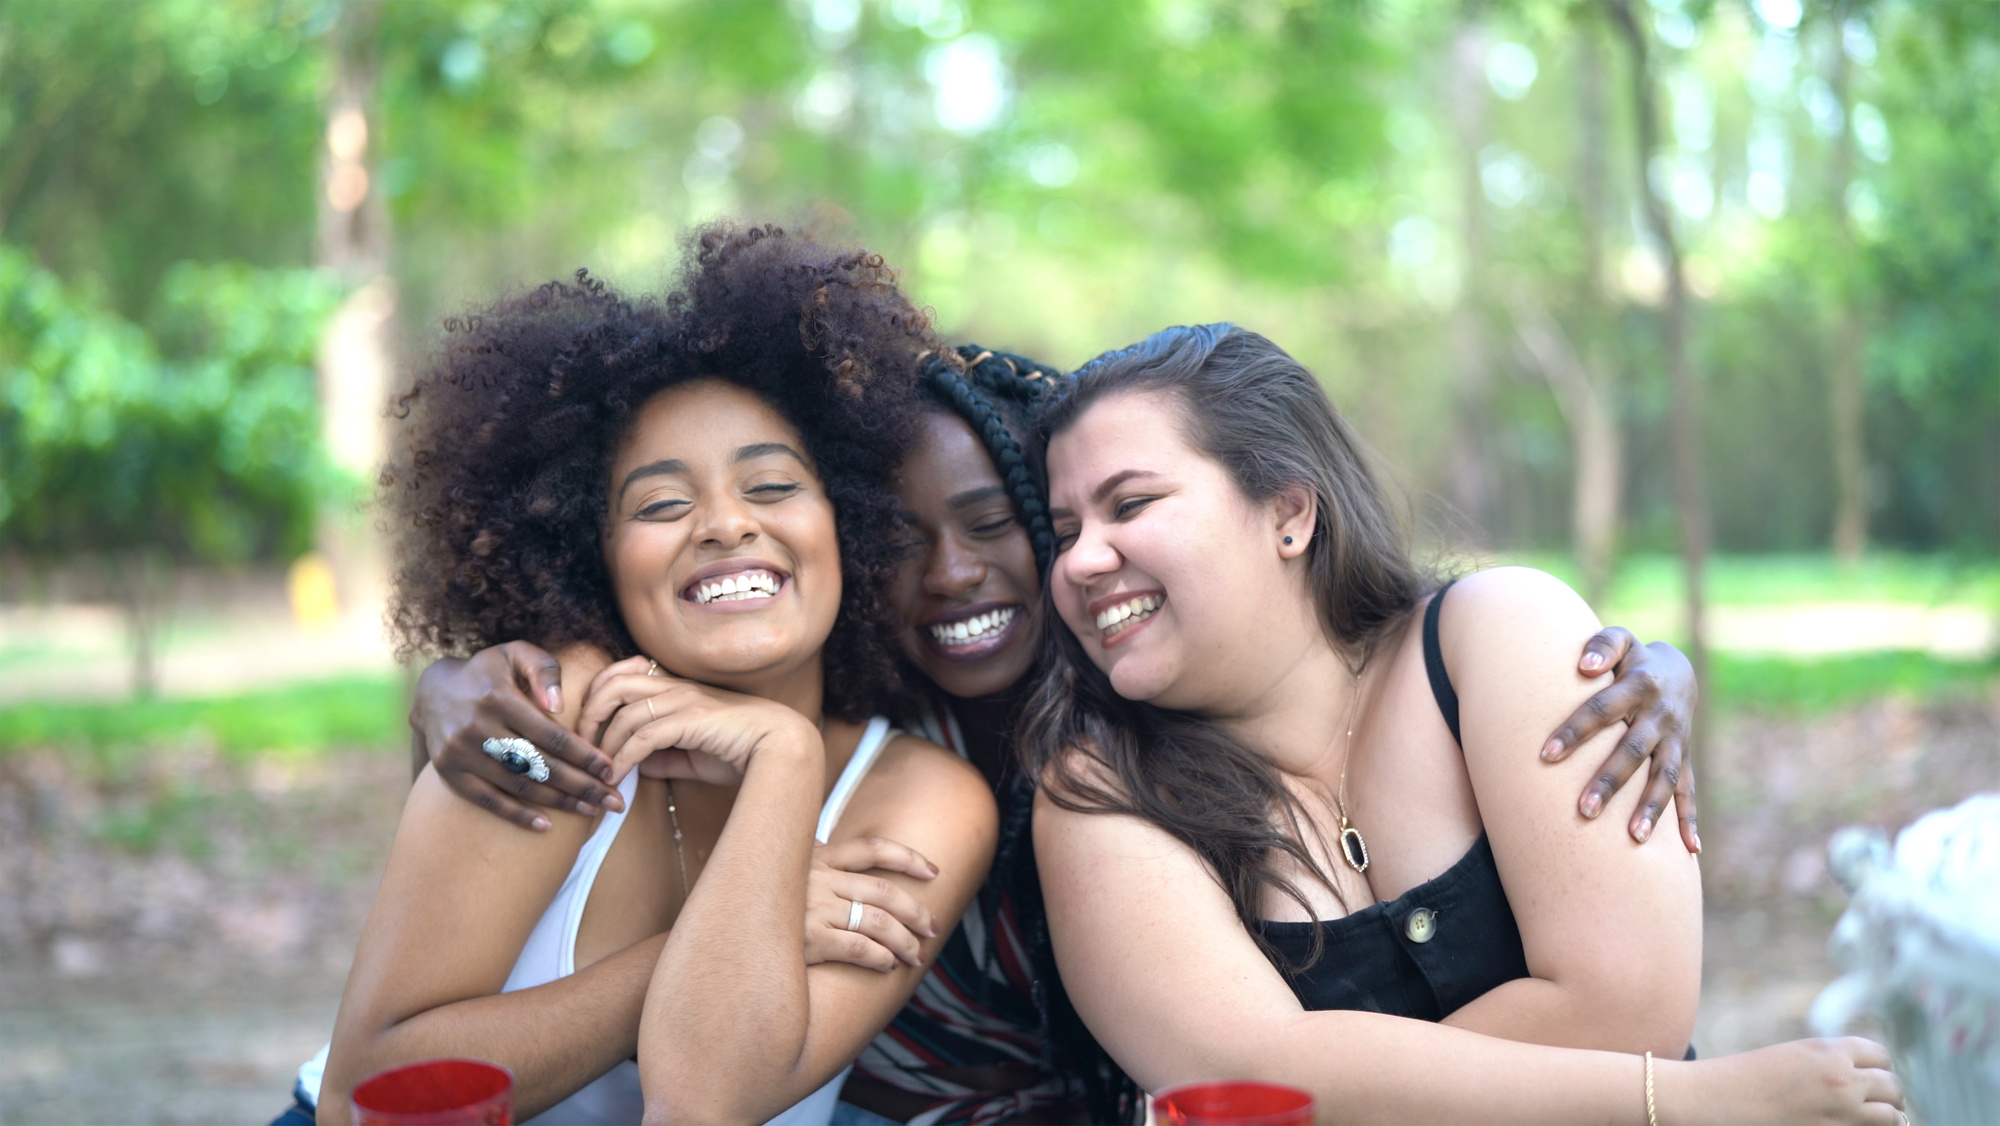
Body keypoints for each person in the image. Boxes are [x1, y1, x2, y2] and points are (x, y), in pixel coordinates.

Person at [414, 339, 1707, 1124]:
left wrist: (1640, 668)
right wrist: (456, 684)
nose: (951, 573)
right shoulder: (911, 754)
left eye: (995, 521)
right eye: (902, 538)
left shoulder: (1173, 709)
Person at [1020, 323, 1906, 1123]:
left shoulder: (1493, 635)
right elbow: (1256, 1088)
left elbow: (1630, 1004)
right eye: (1064, 530)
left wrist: (1345, 1085)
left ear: (1288, 513)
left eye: (1130, 505)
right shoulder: (1100, 795)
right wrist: (1682, 1099)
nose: (1084, 560)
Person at [277, 224, 997, 1125]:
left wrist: (780, 755)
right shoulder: (546, 720)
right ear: (594, 554)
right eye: (662, 503)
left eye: (773, 487)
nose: (727, 525)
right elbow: (363, 1096)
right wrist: (702, 944)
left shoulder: (920, 801)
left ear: (849, 524)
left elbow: (704, 1103)